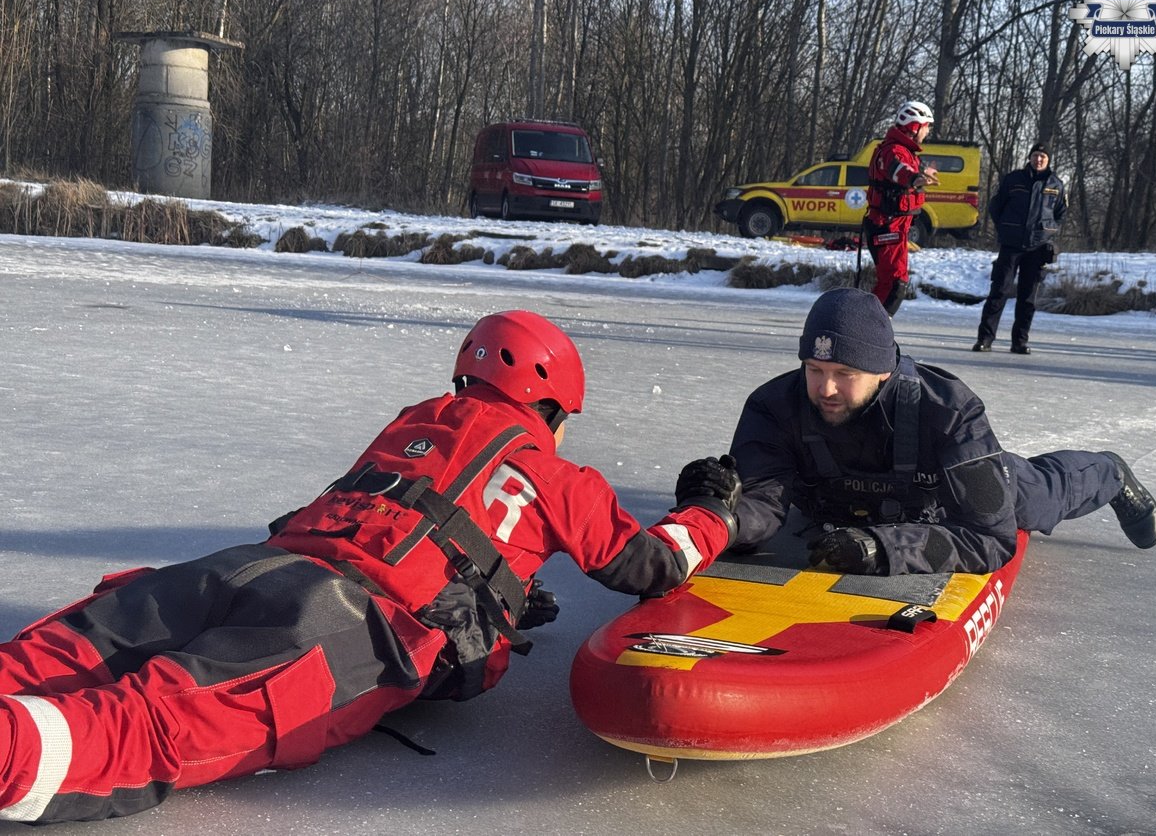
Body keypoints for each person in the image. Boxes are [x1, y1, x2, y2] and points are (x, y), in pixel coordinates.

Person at [0, 310, 741, 824]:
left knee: (60, 654)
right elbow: (650, 565)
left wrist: (504, 595)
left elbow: (423, 517)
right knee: (154, 723)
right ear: (553, 408)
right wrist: (711, 510)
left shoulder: (415, 422)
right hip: (345, 620)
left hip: (249, 568)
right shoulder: (557, 477)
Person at [714, 287, 1156, 575]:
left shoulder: (948, 412)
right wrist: (717, 507)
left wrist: (885, 547)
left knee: (1042, 493)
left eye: (845, 373)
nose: (825, 389)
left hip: (944, 499)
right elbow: (761, 501)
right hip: (843, 508)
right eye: (814, 369)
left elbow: (991, 539)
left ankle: (1109, 472)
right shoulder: (774, 406)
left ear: (883, 371)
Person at [974, 142, 1068, 354]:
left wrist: (1048, 232)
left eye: (1043, 156)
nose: (1039, 159)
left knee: (1028, 297)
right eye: (1035, 155)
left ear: (1048, 160)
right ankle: (985, 339)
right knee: (999, 291)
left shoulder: (1056, 184)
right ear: (1030, 157)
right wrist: (1006, 227)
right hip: (1011, 245)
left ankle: (1020, 342)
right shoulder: (1013, 179)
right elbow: (996, 206)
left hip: (1037, 247)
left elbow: (1060, 214)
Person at [860, 100, 941, 316]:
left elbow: (906, 168)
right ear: (915, 126)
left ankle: (871, 326)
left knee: (893, 282)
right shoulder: (894, 150)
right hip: (887, 225)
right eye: (926, 127)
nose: (927, 132)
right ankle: (870, 326)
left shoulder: (904, 151)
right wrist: (915, 179)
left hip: (896, 225)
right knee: (894, 283)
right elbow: (898, 170)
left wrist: (924, 173)